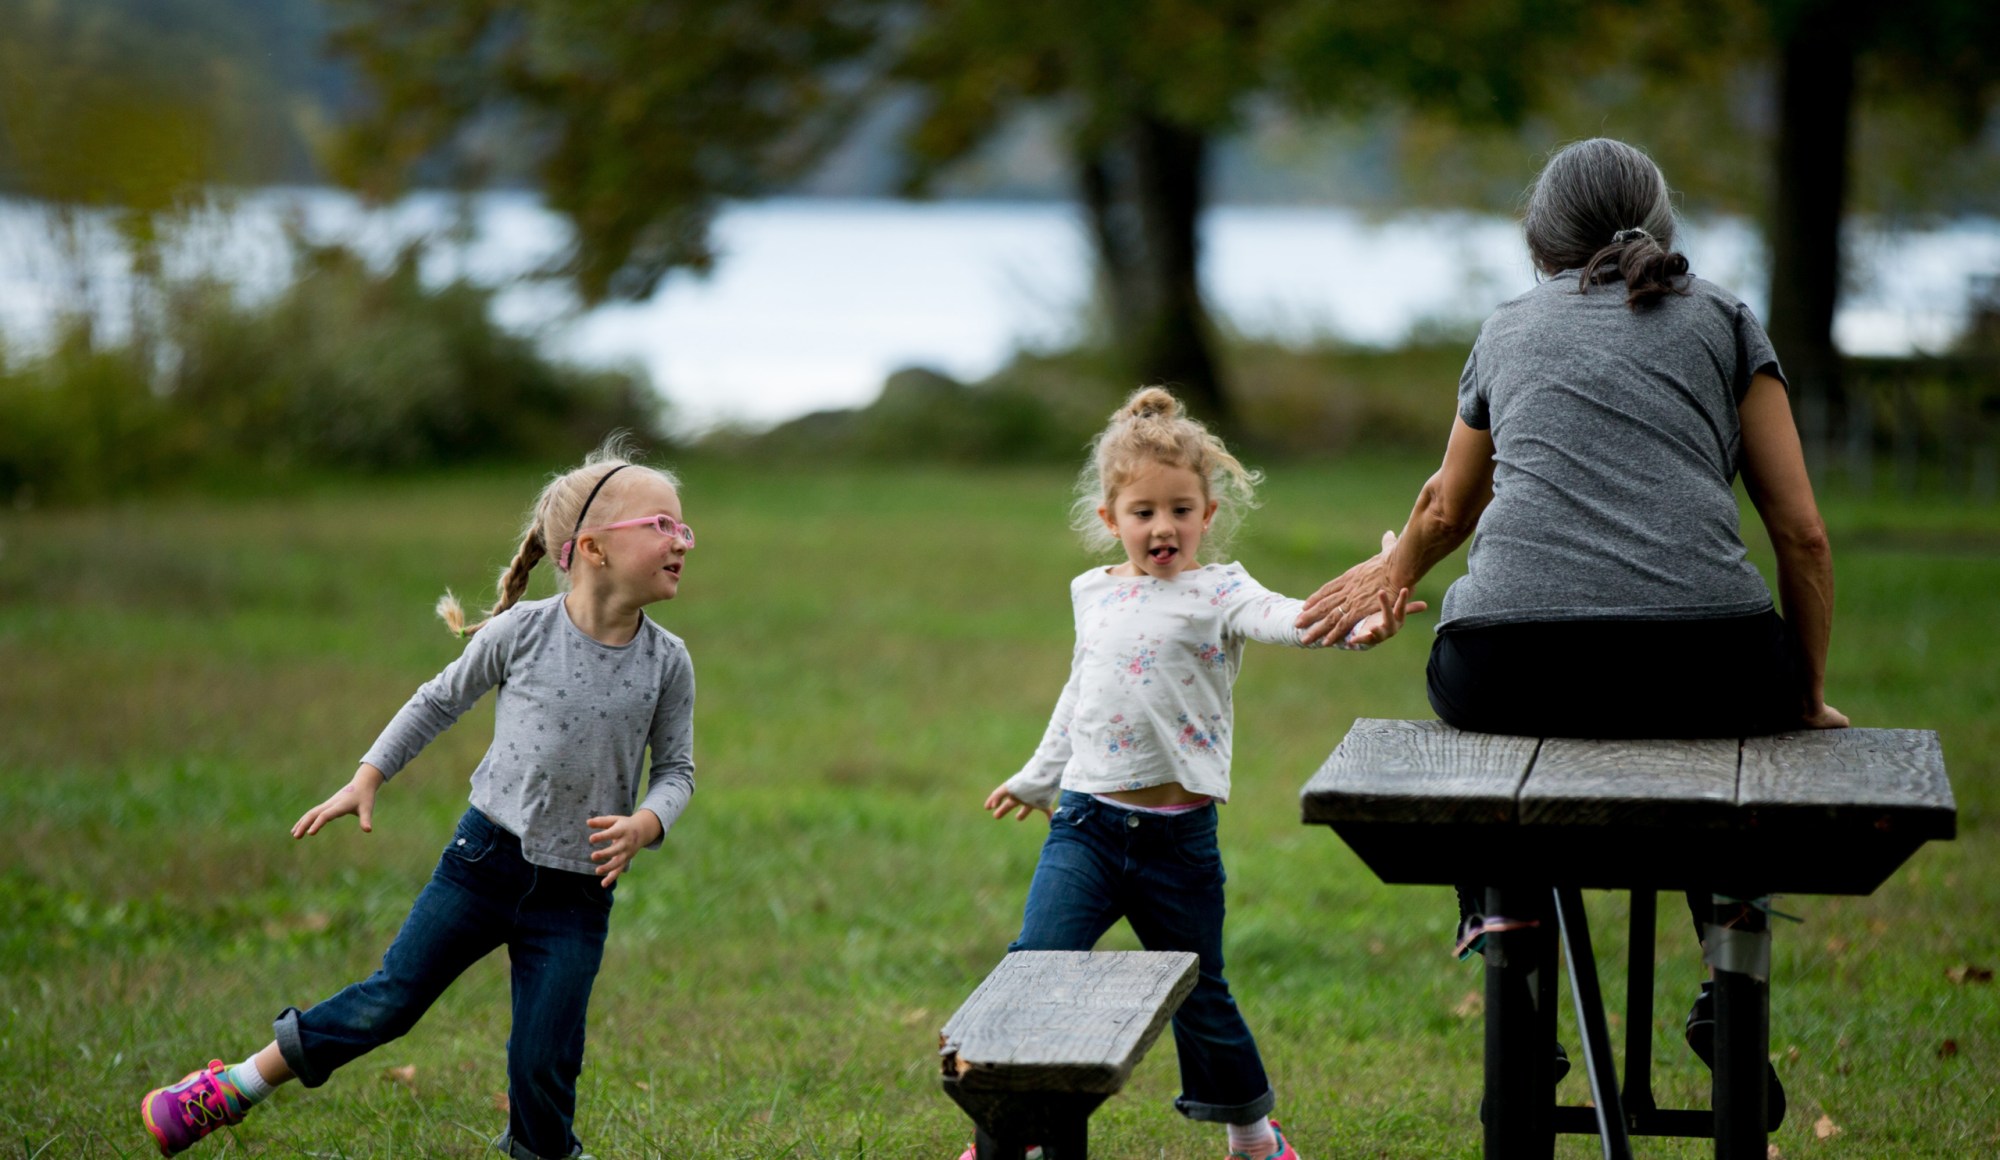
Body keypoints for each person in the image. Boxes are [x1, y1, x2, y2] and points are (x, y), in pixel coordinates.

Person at [1294, 137, 1849, 1128]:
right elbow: (1799, 532)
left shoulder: (1506, 328)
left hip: (1507, 663)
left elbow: (1444, 511)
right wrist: (1800, 695)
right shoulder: (1723, 318)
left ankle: (1511, 967)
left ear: (1535, 241)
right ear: (1660, 227)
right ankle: (1729, 974)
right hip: (1710, 664)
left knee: (1484, 737)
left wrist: (1391, 573)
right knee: (1733, 745)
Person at [138, 438, 698, 1160]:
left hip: (577, 892)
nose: (681, 540)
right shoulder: (520, 632)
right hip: (484, 862)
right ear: (591, 547)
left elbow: (678, 769)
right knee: (388, 1002)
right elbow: (436, 702)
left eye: (684, 527)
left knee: (544, 1060)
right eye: (661, 525)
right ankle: (234, 1086)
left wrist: (647, 823)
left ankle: (543, 1152)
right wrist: (368, 774)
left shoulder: (668, 661)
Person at [973, 388, 1418, 1160]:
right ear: (1111, 519)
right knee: (1033, 970)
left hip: (1178, 845)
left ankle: (1253, 1135)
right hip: (1084, 825)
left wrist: (1358, 625)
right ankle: (1008, 1137)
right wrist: (1040, 778)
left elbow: (1291, 617)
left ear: (1208, 513)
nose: (1163, 527)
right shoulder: (1092, 593)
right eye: (1143, 512)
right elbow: (1081, 693)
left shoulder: (1223, 592)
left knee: (1200, 992)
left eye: (1181, 509)